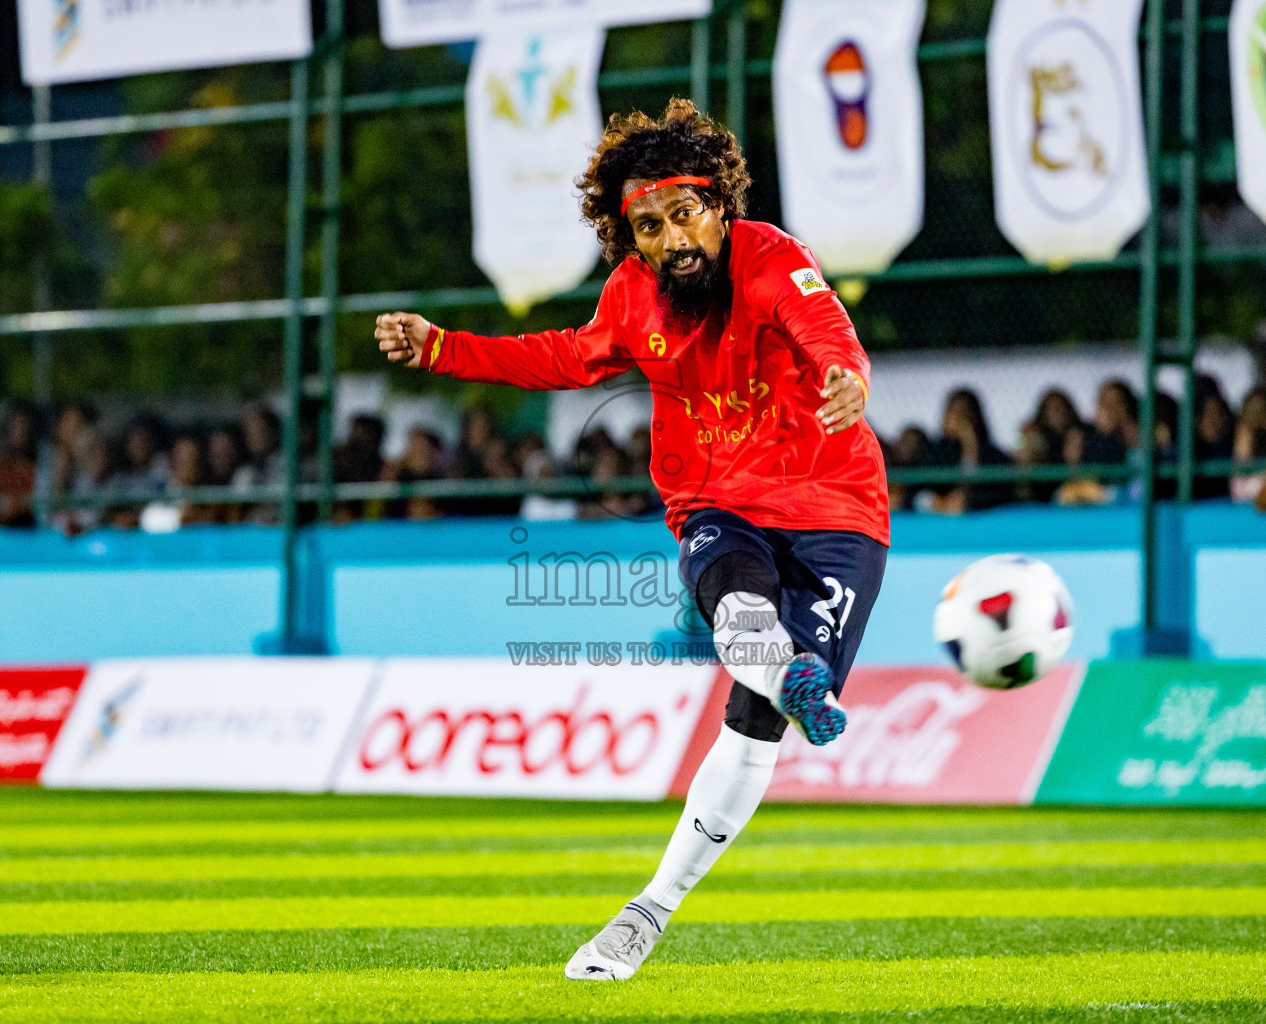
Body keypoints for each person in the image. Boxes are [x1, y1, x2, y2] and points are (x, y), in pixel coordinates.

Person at [374, 99, 888, 982]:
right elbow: (561, 357)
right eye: (647, 225)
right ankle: (648, 911)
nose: (671, 237)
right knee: (737, 600)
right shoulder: (632, 298)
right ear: (633, 240)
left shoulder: (772, 258)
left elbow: (826, 335)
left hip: (839, 504)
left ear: (719, 205)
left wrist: (848, 378)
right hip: (714, 500)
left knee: (756, 719)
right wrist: (444, 348)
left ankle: (657, 897)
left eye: (683, 212)